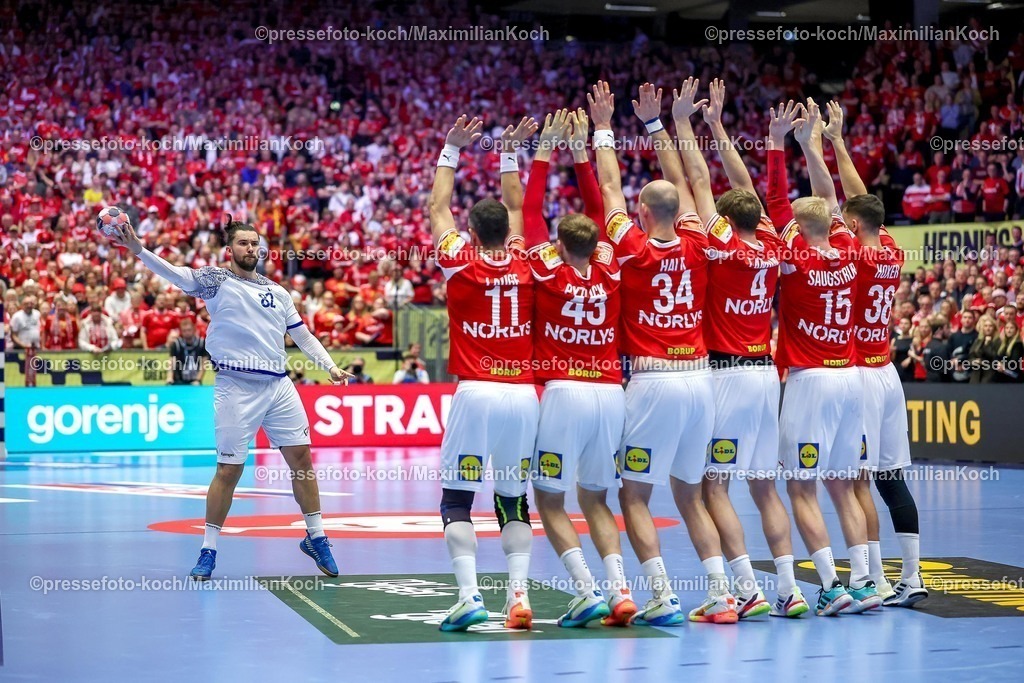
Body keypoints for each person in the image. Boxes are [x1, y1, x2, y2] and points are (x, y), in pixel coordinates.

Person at [106, 216, 351, 581]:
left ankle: (316, 536)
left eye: (255, 244)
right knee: (229, 470)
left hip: (279, 385)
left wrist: (329, 366)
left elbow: (302, 336)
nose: (251, 249)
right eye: (244, 243)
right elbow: (175, 274)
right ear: (230, 249)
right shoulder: (215, 281)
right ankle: (208, 549)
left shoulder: (278, 292)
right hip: (236, 386)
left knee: (302, 460)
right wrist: (139, 249)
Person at [593, 79, 735, 626]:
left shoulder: (631, 246)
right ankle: (721, 596)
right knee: (692, 494)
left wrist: (605, 126)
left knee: (633, 494)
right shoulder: (700, 240)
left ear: (643, 213)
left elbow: (609, 187)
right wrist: (661, 124)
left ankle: (662, 594)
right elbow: (691, 178)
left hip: (652, 381)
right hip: (701, 380)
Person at [676, 83, 802, 619]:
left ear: (725, 221)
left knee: (712, 487)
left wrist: (683, 125)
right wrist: (721, 127)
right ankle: (791, 590)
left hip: (726, 374)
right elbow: (744, 188)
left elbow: (703, 182)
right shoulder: (772, 244)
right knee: (765, 488)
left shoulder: (721, 244)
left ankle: (745, 588)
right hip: (765, 375)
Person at [520, 110, 636, 628]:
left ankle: (586, 591)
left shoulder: (547, 267)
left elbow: (527, 214)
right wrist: (582, 154)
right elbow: (598, 210)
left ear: (560, 246)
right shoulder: (611, 266)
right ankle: (621, 591)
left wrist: (544, 152)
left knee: (547, 499)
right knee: (597, 498)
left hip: (564, 391)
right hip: (611, 393)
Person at [429, 115, 539, 632]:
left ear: (471, 232)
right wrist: (509, 152)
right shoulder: (525, 261)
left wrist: (451, 150)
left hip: (476, 390)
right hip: (523, 393)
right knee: (513, 496)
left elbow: (436, 208)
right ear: (507, 234)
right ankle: (518, 597)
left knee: (457, 497)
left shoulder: (459, 260)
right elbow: (516, 206)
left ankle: (469, 596)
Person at [766, 98, 874, 616]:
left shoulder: (794, 259)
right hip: (851, 376)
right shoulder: (852, 250)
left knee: (801, 488)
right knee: (843, 485)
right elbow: (829, 197)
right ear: (832, 224)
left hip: (810, 382)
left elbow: (776, 201)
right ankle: (865, 581)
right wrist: (814, 142)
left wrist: (779, 144)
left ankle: (832, 585)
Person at [824, 101, 928, 607]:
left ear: (852, 224)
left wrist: (814, 146)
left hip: (860, 374)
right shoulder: (889, 248)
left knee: (856, 480)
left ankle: (874, 580)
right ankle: (912, 577)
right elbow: (860, 197)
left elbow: (834, 194)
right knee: (892, 479)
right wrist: (839, 140)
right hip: (887, 371)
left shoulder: (856, 254)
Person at [167, 318, 209, 385]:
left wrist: (198, 380)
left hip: (195, 380)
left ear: (194, 330)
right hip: (179, 381)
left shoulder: (201, 343)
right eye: (184, 331)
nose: (187, 333)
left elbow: (204, 364)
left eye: (189, 330)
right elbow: (171, 363)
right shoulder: (176, 344)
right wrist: (169, 378)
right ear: (181, 331)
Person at [948, 309, 979, 383]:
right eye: (965, 317)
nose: (967, 320)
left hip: (970, 374)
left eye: (970, 318)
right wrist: (955, 364)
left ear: (974, 320)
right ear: (961, 319)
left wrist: (963, 363)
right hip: (954, 373)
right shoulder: (954, 336)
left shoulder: (977, 337)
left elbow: (975, 354)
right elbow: (948, 352)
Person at [968, 316, 1001, 383]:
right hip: (976, 376)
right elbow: (970, 357)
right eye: (985, 326)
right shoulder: (978, 341)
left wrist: (987, 344)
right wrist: (974, 361)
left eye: (990, 326)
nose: (988, 328)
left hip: (990, 376)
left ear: (994, 328)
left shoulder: (998, 342)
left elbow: (994, 357)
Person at [993, 318, 1022, 382]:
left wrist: (1002, 365)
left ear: (1016, 330)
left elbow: (1014, 361)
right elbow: (996, 357)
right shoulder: (1003, 344)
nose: (1009, 330)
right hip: (1001, 373)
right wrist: (997, 363)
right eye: (1007, 328)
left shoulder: (1018, 344)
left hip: (1012, 376)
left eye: (1011, 328)